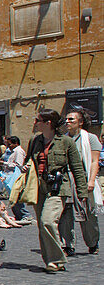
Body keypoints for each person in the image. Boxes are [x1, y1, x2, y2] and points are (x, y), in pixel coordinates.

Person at [26, 109, 89, 272]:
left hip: (59, 187)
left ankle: (57, 259)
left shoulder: (66, 142)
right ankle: (51, 261)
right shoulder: (35, 140)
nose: (35, 123)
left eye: (38, 120)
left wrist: (82, 193)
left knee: (48, 221)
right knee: (42, 225)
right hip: (39, 187)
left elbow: (77, 168)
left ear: (48, 123)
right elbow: (29, 161)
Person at [60, 109, 100, 255]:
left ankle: (92, 242)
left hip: (83, 178)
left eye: (71, 119)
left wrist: (91, 181)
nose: (67, 122)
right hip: (66, 179)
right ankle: (67, 245)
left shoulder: (90, 138)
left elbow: (95, 161)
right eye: (66, 119)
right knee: (65, 212)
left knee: (87, 212)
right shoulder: (62, 139)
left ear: (81, 122)